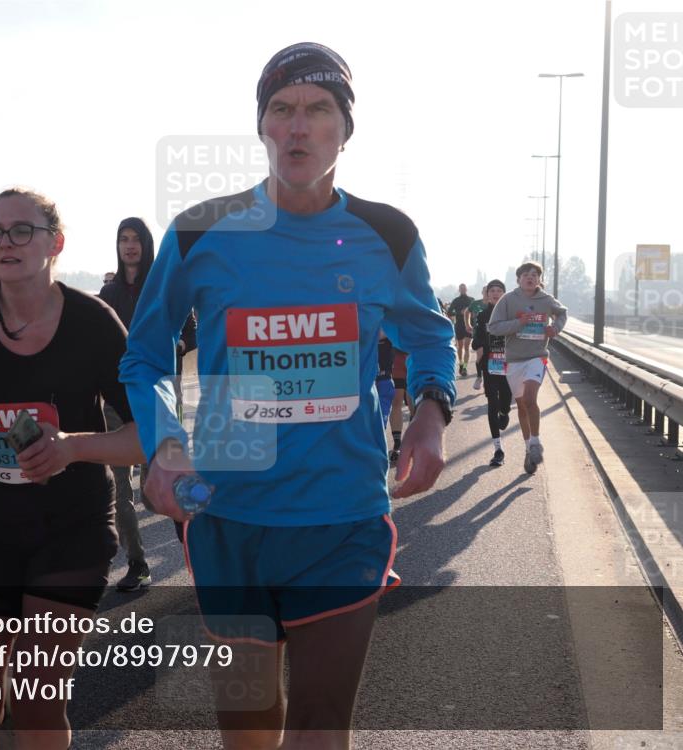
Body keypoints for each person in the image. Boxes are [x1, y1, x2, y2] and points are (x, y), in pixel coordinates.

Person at [120, 42, 455, 748]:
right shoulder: (202, 230)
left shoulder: (387, 235)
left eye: (318, 110)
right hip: (228, 517)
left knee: (319, 724)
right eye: (282, 109)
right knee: (246, 729)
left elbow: (430, 337)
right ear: (263, 127)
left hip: (341, 519)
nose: (298, 126)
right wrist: (164, 446)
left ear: (344, 129)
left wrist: (430, 413)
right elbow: (146, 354)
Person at [0, 188, 144, 748]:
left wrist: (70, 447)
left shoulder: (94, 322)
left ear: (56, 244)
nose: (4, 241)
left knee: (38, 698)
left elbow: (148, 436)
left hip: (73, 524)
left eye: (22, 230)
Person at [98, 217, 197, 587]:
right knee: (119, 491)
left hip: (160, 394)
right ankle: (137, 565)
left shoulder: (164, 285)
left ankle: (196, 554)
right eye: (123, 238)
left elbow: (189, 329)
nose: (129, 245)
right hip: (117, 399)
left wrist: (179, 345)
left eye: (136, 239)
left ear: (147, 244)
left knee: (162, 484)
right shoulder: (108, 295)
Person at [487, 261, 567, 475]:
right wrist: (518, 324)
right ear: (518, 279)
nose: (530, 278)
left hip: (537, 356)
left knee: (531, 399)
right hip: (514, 360)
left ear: (539, 279)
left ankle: (535, 443)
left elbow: (562, 313)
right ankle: (527, 449)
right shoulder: (508, 300)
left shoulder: (546, 300)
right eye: (526, 275)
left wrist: (555, 329)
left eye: (534, 275)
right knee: (522, 406)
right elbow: (493, 327)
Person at [472, 279, 512, 466]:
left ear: (505, 294)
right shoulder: (482, 315)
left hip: (510, 364)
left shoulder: (510, 313)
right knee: (492, 403)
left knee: (505, 400)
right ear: (487, 295)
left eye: (499, 290)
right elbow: (477, 337)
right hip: (490, 364)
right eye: (492, 290)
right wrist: (479, 346)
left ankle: (505, 413)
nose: (495, 293)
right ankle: (498, 449)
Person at [447, 283, 473, 377]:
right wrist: (459, 312)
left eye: (464, 288)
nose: (463, 290)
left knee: (467, 347)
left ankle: (465, 367)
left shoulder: (471, 300)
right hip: (459, 326)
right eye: (461, 288)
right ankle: (461, 364)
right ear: (459, 290)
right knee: (460, 347)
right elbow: (449, 312)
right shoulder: (456, 300)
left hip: (469, 326)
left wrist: (470, 313)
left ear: (466, 289)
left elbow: (476, 312)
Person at [466, 285, 488, 390]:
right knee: (480, 355)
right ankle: (479, 377)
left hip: (493, 335)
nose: (487, 293)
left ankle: (489, 379)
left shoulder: (496, 304)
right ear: (482, 292)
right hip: (478, 334)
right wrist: (467, 324)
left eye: (489, 291)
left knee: (491, 358)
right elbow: (467, 312)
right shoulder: (476, 304)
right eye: (485, 291)